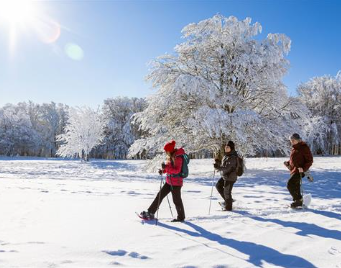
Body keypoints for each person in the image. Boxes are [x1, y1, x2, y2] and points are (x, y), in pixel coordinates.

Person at [140, 140, 186, 222]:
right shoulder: (171, 156)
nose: (166, 152)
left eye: (166, 151)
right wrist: (163, 170)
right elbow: (169, 167)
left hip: (176, 183)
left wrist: (166, 168)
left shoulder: (178, 157)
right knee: (160, 195)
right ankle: (150, 212)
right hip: (169, 181)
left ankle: (181, 217)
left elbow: (177, 171)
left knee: (176, 200)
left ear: (170, 150)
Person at [284, 133, 313, 208]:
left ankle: (298, 201)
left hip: (299, 171)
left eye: (293, 140)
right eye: (291, 140)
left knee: (290, 184)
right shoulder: (294, 148)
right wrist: (288, 163)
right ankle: (298, 202)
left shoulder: (303, 147)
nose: (292, 141)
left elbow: (309, 160)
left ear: (298, 140)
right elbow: (294, 159)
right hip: (294, 170)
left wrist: (303, 168)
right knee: (295, 186)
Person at [214, 141, 238, 211]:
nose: (226, 148)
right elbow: (223, 166)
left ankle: (228, 207)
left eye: (228, 147)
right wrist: (218, 163)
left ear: (231, 148)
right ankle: (228, 201)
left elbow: (227, 168)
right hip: (225, 176)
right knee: (218, 186)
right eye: (225, 147)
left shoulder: (233, 157)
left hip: (230, 177)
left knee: (227, 192)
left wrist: (218, 167)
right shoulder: (226, 155)